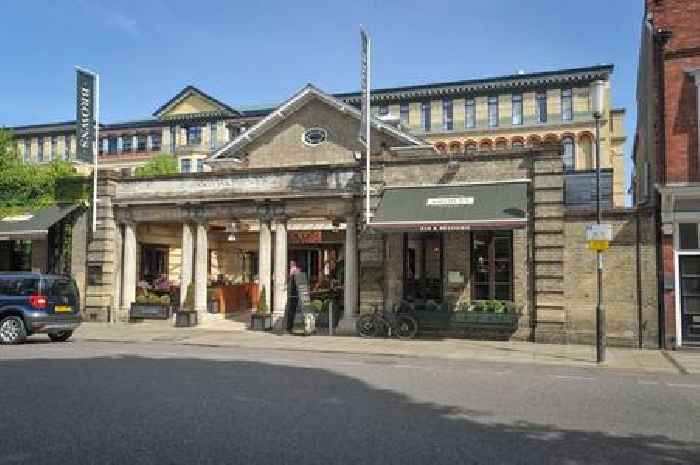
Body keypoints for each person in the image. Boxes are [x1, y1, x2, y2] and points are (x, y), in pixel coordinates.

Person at [285, 260, 308, 333]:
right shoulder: (294, 275)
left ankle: (290, 327)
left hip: (296, 294)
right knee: (291, 311)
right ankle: (289, 327)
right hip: (293, 295)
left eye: (292, 264)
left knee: (292, 311)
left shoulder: (296, 274)